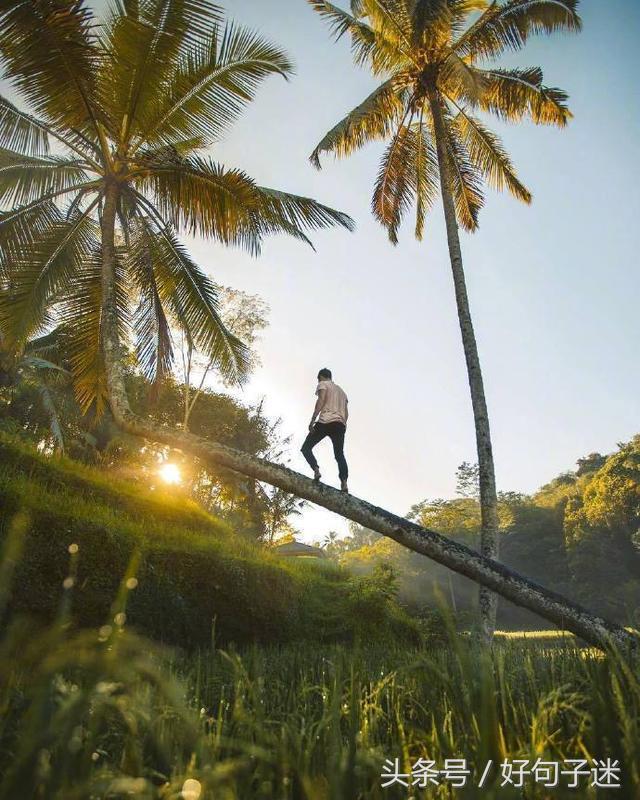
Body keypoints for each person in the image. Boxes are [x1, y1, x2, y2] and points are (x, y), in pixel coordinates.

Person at [301, 368, 349, 492]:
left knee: (306, 448)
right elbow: (347, 413)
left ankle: (316, 470)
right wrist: (343, 424)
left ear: (321, 377)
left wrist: (312, 420)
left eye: (318, 379)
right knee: (339, 455)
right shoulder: (343, 393)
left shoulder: (323, 384)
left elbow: (321, 400)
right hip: (340, 424)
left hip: (325, 422)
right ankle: (344, 483)